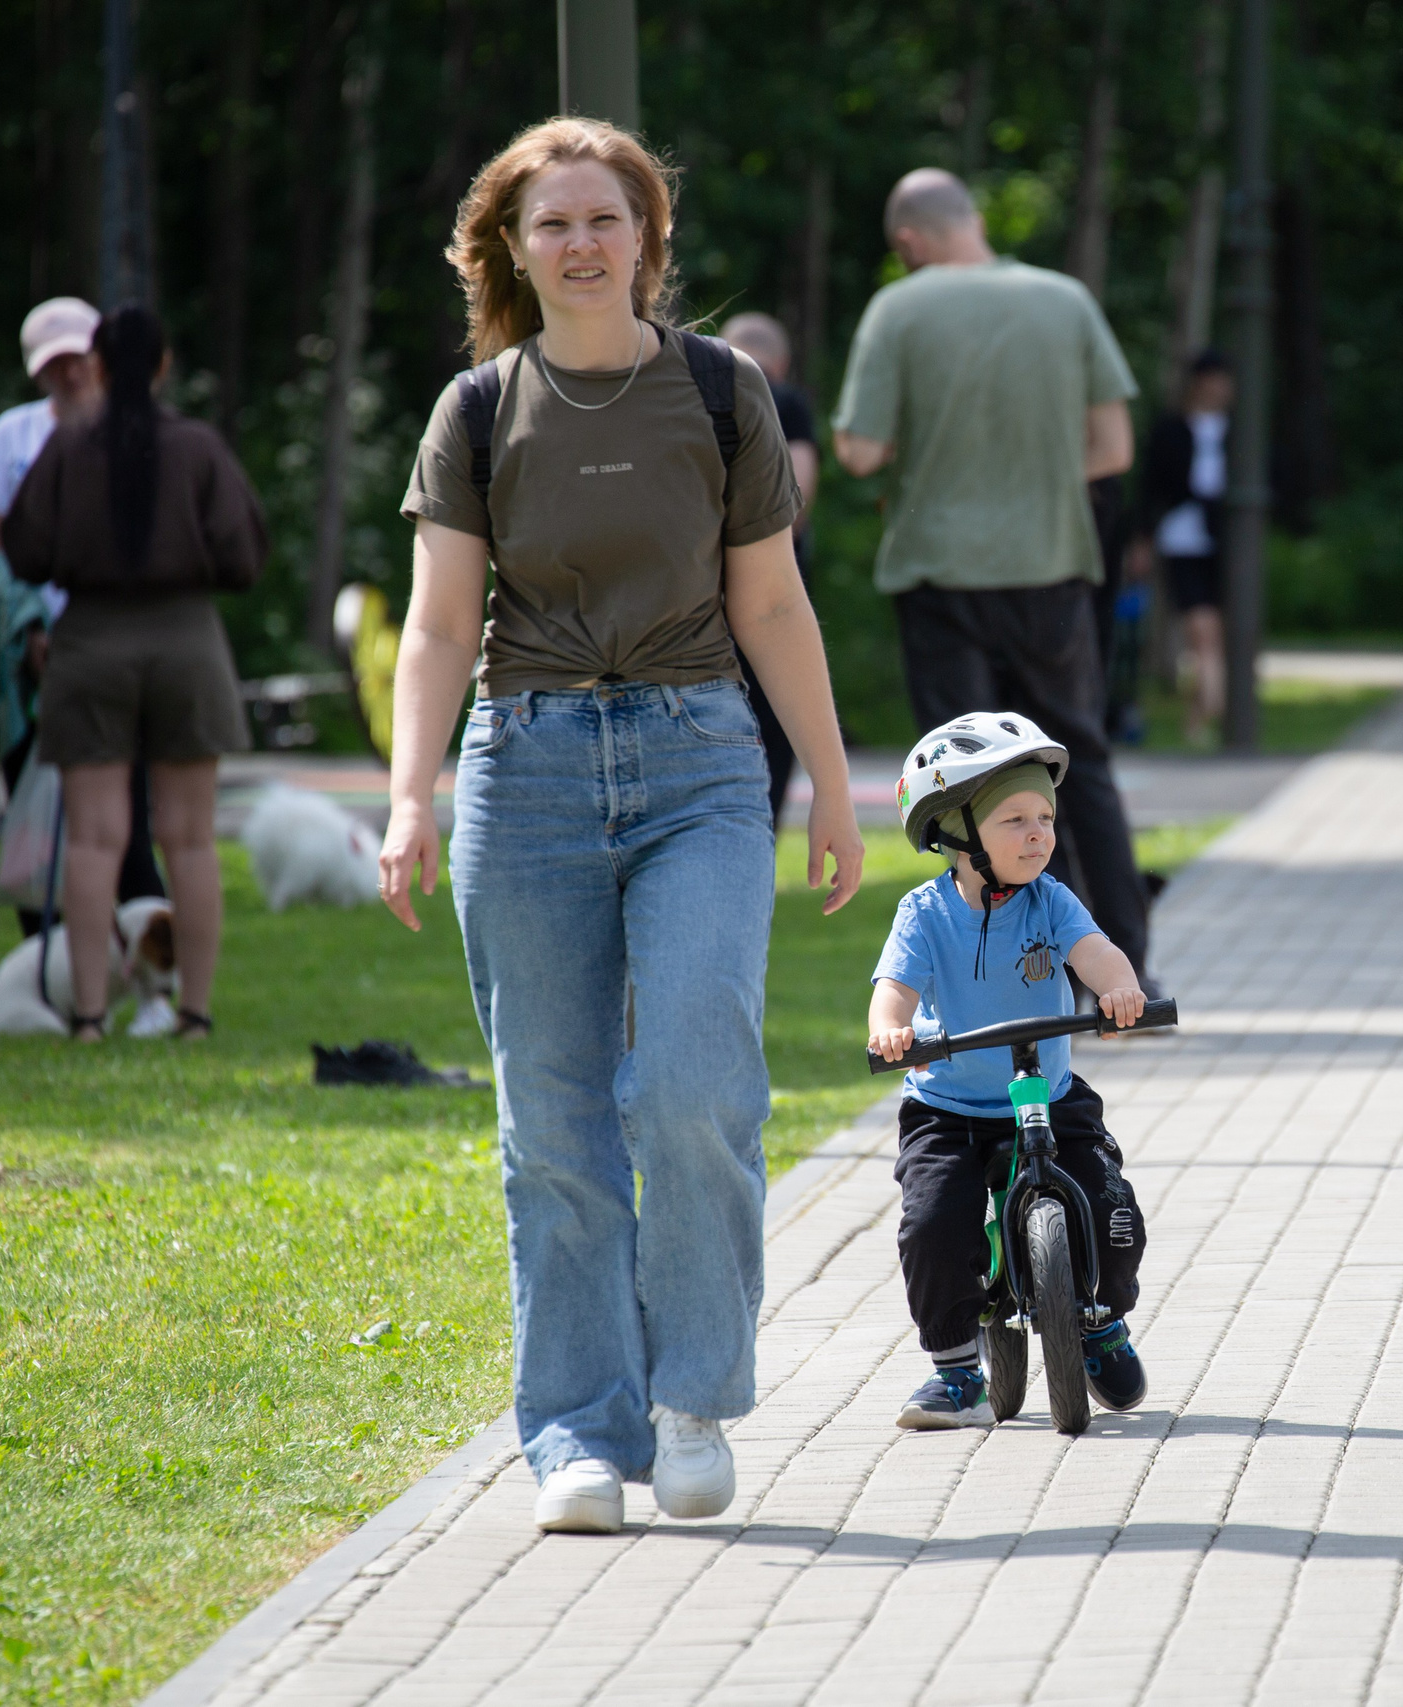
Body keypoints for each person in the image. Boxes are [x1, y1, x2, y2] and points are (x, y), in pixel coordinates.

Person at [379, 118, 865, 1537]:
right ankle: (579, 1433)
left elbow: (773, 605)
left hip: (700, 759)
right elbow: (436, 623)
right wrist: (410, 791)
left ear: (647, 237)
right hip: (522, 768)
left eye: (606, 218)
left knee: (697, 1082)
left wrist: (835, 784)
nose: (582, 244)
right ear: (515, 249)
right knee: (555, 1119)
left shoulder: (723, 394)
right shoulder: (477, 409)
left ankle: (695, 1400)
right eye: (554, 223)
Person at [832, 168, 1154, 988]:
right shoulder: (1065, 299)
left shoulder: (898, 310)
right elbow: (1114, 448)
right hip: (1050, 565)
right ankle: (1124, 973)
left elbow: (859, 451)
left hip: (941, 574)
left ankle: (996, 981)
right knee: (1078, 757)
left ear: (909, 243)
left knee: (963, 782)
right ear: (973, 219)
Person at [869, 712, 1150, 1428]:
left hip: (1048, 1095)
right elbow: (893, 988)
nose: (1039, 834)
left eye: (1045, 816)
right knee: (932, 1224)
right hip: (950, 1105)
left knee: (1111, 1208)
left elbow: (1096, 952)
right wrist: (890, 1028)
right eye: (1014, 818)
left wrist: (1118, 987)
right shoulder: (924, 912)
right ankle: (956, 1368)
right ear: (956, 833)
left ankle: (1099, 1320)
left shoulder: (1049, 899)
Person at [3, 304, 265, 1041]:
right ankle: (196, 1011)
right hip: (186, 640)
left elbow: (22, 549)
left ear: (102, 365)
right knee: (190, 837)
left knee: (93, 840)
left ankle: (88, 1015)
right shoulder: (197, 446)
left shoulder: (66, 447)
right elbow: (244, 554)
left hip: (88, 640)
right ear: (162, 365)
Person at [0, 296, 170, 931]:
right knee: (37, 816)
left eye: (78, 359)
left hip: (111, 648)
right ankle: (46, 963)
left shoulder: (137, 434)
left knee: (126, 823)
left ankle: (147, 969)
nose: (70, 374)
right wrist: (24, 620)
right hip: (32, 650)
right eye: (53, 364)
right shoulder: (14, 434)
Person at [722, 311, 822, 829]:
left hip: (702, 597)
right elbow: (798, 491)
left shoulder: (701, 395)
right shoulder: (785, 401)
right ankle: (763, 828)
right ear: (780, 363)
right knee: (775, 713)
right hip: (774, 592)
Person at [1131, 350, 1235, 746]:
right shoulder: (1172, 427)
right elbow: (1151, 486)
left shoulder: (1238, 428)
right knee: (1201, 631)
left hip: (1226, 540)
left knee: (1217, 633)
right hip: (1184, 537)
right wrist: (1142, 539)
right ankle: (1213, 706)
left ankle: (1201, 716)